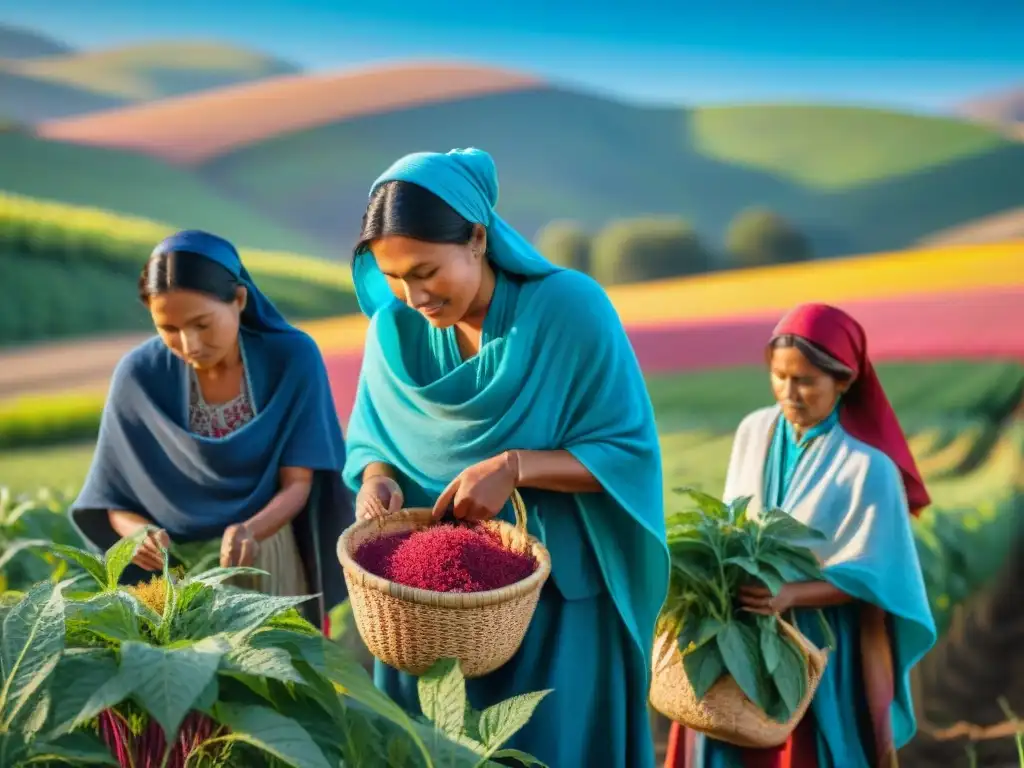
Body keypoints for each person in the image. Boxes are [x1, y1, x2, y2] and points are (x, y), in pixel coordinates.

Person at [342, 148, 669, 767]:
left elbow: (625, 452)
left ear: (477, 238)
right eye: (394, 277)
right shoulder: (392, 332)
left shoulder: (570, 309)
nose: (413, 296)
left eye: (426, 271)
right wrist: (378, 481)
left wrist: (516, 466)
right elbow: (372, 440)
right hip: (426, 613)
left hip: (552, 601)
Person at [663, 303, 937, 768]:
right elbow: (732, 523)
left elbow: (876, 581)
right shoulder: (754, 429)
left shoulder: (868, 468)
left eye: (806, 380)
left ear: (845, 380)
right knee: (726, 737)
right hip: (741, 628)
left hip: (818, 645)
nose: (789, 392)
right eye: (780, 376)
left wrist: (791, 594)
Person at [70, 230, 352, 632]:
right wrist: (139, 535)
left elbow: (298, 483)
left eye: (202, 324)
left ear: (238, 300)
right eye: (168, 328)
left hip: (263, 553)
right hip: (170, 572)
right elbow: (113, 497)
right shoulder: (138, 375)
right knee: (184, 682)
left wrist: (250, 531)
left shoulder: (291, 358)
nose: (190, 343)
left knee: (277, 672)